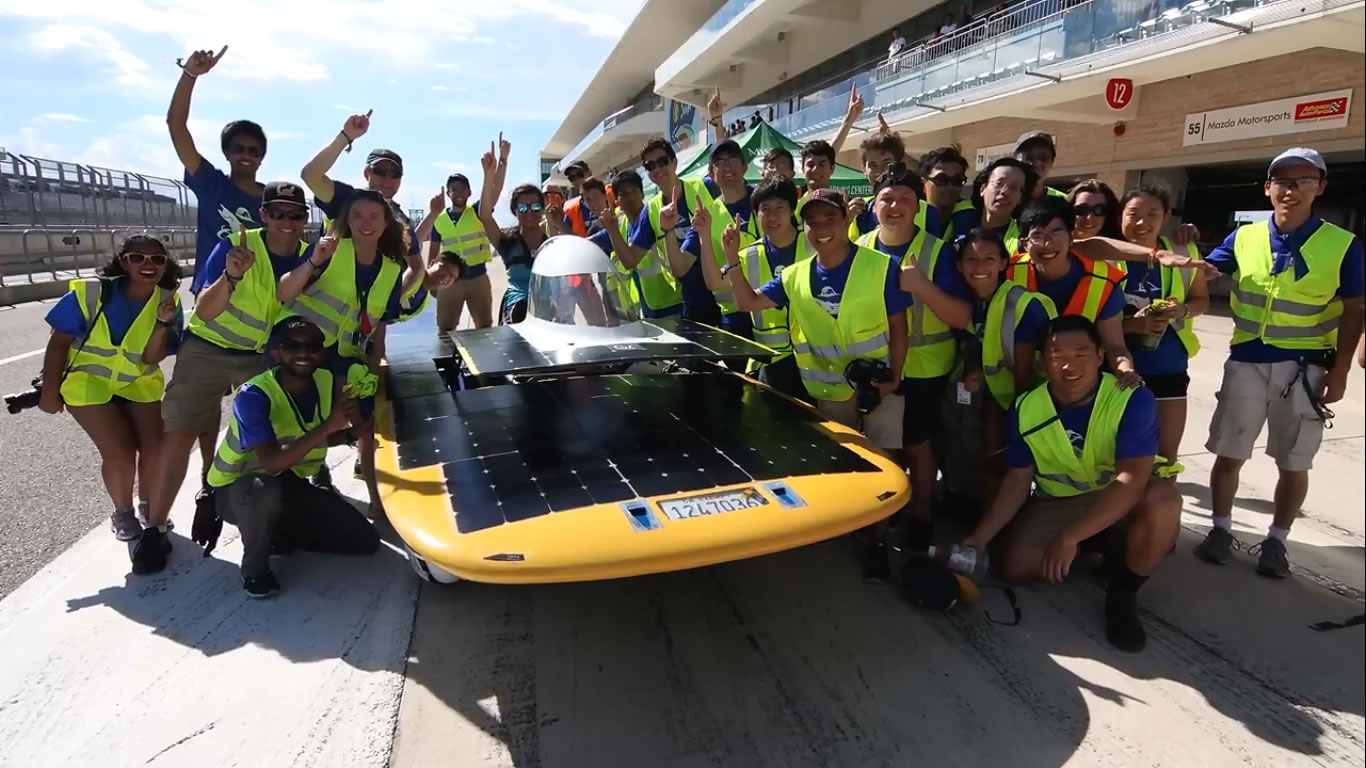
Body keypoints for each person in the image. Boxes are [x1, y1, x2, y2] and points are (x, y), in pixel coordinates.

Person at [964, 315, 1183, 653]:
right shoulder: (1025, 408)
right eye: (1057, 355)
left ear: (1099, 357)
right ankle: (1100, 545)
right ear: (1041, 362)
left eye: (1081, 354)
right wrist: (979, 539)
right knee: (1013, 566)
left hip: (1121, 497)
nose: (1069, 364)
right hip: (1062, 502)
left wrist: (1069, 536)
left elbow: (1132, 479)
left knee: (1163, 501)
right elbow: (1017, 481)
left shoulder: (1130, 398)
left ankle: (1124, 592)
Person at [723, 187, 910, 580]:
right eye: (812, 221)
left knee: (885, 464)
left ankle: (876, 540)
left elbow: (898, 326)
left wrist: (894, 379)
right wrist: (730, 260)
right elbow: (747, 302)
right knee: (844, 463)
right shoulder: (793, 276)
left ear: (846, 218)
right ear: (802, 225)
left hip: (880, 387)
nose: (821, 228)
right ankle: (848, 528)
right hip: (829, 391)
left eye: (830, 219)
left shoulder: (880, 266)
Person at [1196, 148, 1365, 578]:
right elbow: (1205, 273)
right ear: (1267, 187)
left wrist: (1340, 370)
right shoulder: (1245, 237)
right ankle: (1220, 529)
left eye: (1303, 182)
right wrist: (1180, 257)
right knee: (1229, 452)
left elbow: (1354, 309)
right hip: (1247, 361)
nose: (1291, 190)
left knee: (1293, 461)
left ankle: (1277, 540)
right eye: (1283, 181)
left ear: (1320, 188)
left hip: (1305, 370)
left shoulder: (1343, 245)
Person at [134, 182, 312, 575]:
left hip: (256, 356)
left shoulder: (309, 258)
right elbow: (206, 310)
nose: (287, 222)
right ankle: (154, 528)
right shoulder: (236, 244)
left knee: (261, 439)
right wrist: (231, 276)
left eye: (295, 214)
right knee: (179, 433)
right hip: (207, 348)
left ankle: (246, 516)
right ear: (263, 215)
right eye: (278, 213)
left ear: (305, 220)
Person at [205, 317, 380, 598]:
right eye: (292, 346)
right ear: (276, 353)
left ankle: (277, 532)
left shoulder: (325, 382)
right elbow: (272, 460)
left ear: (322, 354)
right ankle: (255, 571)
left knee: (364, 541)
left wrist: (350, 434)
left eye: (311, 346)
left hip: (288, 482)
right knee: (264, 490)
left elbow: (307, 437)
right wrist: (330, 426)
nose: (303, 353)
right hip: (238, 489)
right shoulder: (255, 395)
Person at [277, 190, 414, 516]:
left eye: (374, 217)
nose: (366, 223)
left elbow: (379, 324)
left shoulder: (393, 270)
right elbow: (284, 293)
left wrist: (375, 367)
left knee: (363, 421)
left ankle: (376, 499)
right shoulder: (330, 251)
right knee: (295, 421)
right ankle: (292, 486)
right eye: (358, 216)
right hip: (301, 351)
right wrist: (313, 262)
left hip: (345, 356)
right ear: (347, 221)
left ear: (385, 225)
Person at [857, 168, 973, 546]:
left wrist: (922, 286)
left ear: (918, 205)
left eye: (904, 199)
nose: (895, 207)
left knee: (917, 443)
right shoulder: (860, 247)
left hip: (924, 369)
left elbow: (962, 316)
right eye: (887, 199)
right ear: (875, 206)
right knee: (882, 444)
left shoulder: (937, 251)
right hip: (879, 365)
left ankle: (922, 517)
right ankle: (882, 515)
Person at [41, 237, 183, 542]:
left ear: (165, 264)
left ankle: (149, 505)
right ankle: (122, 512)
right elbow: (58, 343)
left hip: (138, 381)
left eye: (157, 259)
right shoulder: (91, 293)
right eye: (137, 258)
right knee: (119, 452)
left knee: (156, 449)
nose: (148, 265)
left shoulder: (169, 300)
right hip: (88, 382)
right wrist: (49, 392)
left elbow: (152, 357)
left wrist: (163, 323)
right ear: (122, 261)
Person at [956, 229, 1056, 497]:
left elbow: (1023, 375)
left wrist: (1016, 431)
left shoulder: (1021, 305)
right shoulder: (976, 301)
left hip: (1032, 402)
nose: (979, 267)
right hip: (1001, 396)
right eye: (971, 260)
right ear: (959, 265)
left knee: (1011, 468)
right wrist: (975, 370)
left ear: (1003, 263)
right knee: (991, 463)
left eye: (989, 259)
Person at [1007, 196, 1141, 388]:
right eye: (1037, 235)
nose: (1047, 243)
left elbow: (1115, 347)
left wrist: (1126, 370)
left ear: (1071, 238)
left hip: (1076, 386)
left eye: (1056, 232)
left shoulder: (1103, 281)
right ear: (1024, 243)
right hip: (1014, 384)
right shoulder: (1006, 273)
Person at [1118, 186, 1208, 461]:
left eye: (1152, 214)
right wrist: (1133, 326)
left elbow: (1200, 300)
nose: (1142, 223)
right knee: (1116, 457)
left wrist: (1182, 310)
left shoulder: (1183, 251)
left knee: (1166, 457)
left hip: (1168, 366)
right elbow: (1094, 321)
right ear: (1120, 215)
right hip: (1117, 373)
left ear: (1167, 216)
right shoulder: (1105, 255)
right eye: (1133, 214)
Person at [166, 45, 264, 297]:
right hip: (211, 291)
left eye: (254, 151)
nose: (246, 156)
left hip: (257, 298)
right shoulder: (211, 183)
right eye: (239, 149)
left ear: (261, 158)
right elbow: (176, 125)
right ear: (227, 153)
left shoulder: (273, 200)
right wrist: (190, 75)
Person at [702, 178, 808, 400]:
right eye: (764, 209)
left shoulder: (813, 246)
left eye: (780, 208)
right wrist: (704, 235)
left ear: (792, 209)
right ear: (756, 215)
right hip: (772, 365)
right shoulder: (748, 255)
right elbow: (714, 282)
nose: (772, 216)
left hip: (816, 364)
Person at [671, 139, 761, 332]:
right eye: (719, 162)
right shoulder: (706, 217)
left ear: (744, 168)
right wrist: (668, 230)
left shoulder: (765, 202)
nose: (726, 166)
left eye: (732, 159)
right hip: (734, 319)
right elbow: (680, 268)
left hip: (772, 309)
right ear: (711, 174)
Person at [624, 138, 711, 322]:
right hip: (690, 300)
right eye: (650, 166)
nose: (657, 169)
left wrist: (717, 123)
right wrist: (610, 229)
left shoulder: (705, 187)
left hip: (725, 295)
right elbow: (630, 259)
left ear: (675, 162)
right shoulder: (652, 209)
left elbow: (729, 170)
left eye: (662, 162)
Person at [472, 136, 549, 325]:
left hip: (549, 308)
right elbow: (485, 216)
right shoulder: (507, 241)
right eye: (523, 208)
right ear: (515, 211)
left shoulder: (552, 241)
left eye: (535, 207)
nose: (529, 213)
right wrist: (491, 173)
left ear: (543, 209)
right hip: (517, 310)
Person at [588, 170, 682, 319]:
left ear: (642, 194)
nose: (630, 197)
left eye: (634, 191)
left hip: (672, 305)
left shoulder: (652, 218)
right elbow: (591, 241)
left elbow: (629, 262)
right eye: (624, 194)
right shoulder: (621, 224)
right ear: (617, 200)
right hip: (646, 309)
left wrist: (612, 229)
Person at [430, 172, 494, 332]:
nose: (458, 193)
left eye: (462, 189)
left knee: (484, 327)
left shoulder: (478, 212)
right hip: (449, 281)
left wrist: (498, 165)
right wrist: (432, 281)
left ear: (469, 192)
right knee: (445, 328)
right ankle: (448, 356)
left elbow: (494, 191)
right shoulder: (439, 219)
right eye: (454, 189)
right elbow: (433, 250)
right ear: (448, 193)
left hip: (478, 278)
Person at [847, 127, 906, 240]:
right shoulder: (859, 211)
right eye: (872, 165)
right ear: (864, 169)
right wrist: (845, 223)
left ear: (899, 165)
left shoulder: (926, 211)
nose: (880, 171)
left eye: (887, 163)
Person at [972, 157, 1037, 254]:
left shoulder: (1023, 240)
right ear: (982, 189)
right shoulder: (958, 222)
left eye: (1014, 187)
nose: (1004, 191)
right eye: (999, 183)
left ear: (1021, 198)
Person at [917, 145, 977, 242]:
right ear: (923, 184)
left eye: (957, 180)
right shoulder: (908, 217)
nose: (950, 187)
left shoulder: (974, 219)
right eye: (941, 180)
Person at [1013, 131, 1068, 200]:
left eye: (1043, 158)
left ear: (1052, 163)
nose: (1037, 164)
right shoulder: (1003, 198)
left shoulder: (1062, 202)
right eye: (1029, 157)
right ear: (1015, 160)